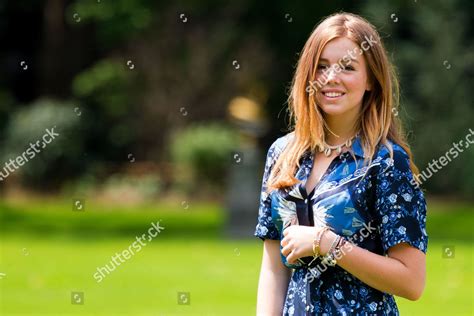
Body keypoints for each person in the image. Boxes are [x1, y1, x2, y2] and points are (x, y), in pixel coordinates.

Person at [254, 12, 428, 315]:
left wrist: (329, 244)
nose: (331, 77)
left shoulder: (386, 162)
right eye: (321, 66)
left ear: (371, 80)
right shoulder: (283, 154)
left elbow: (411, 282)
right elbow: (274, 268)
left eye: (347, 67)